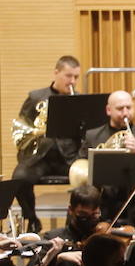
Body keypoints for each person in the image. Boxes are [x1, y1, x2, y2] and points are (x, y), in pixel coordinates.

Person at [11, 55, 82, 232]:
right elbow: (23, 127)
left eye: (76, 77)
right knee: (19, 177)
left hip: (69, 159)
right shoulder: (36, 97)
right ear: (56, 73)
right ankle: (32, 219)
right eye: (68, 76)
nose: (72, 81)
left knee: (90, 177)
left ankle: (72, 225)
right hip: (41, 157)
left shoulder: (80, 100)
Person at [79, 90, 135, 234]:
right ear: (108, 110)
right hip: (103, 200)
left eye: (129, 108)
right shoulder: (93, 136)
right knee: (79, 209)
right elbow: (80, 166)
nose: (125, 113)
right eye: (120, 109)